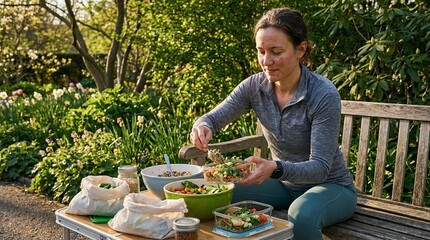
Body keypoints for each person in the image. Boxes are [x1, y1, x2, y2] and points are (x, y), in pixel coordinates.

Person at [189, 6, 357, 240]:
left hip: (331, 188)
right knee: (211, 192)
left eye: (276, 52)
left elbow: (320, 167)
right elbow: (214, 117)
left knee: (301, 215)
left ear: (301, 49)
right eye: (261, 51)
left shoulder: (322, 94)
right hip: (284, 187)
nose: (266, 61)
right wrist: (203, 126)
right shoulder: (254, 86)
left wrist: (275, 168)